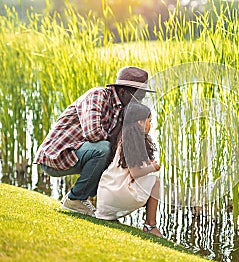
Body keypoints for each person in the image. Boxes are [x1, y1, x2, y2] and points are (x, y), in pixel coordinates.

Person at [34, 66, 155, 216]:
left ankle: (97, 206)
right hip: (57, 156)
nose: (140, 101)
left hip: (78, 153)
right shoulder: (98, 95)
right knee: (104, 149)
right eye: (138, 95)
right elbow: (93, 134)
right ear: (123, 92)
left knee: (113, 156)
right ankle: (75, 199)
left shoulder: (123, 109)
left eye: (142, 96)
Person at [95, 102, 162, 237]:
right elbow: (135, 172)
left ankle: (111, 215)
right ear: (140, 122)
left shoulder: (124, 137)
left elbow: (129, 166)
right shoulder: (134, 139)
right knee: (155, 181)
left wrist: (147, 164)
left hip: (106, 198)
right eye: (149, 121)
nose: (151, 125)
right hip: (117, 195)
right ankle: (150, 225)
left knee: (148, 180)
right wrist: (152, 167)